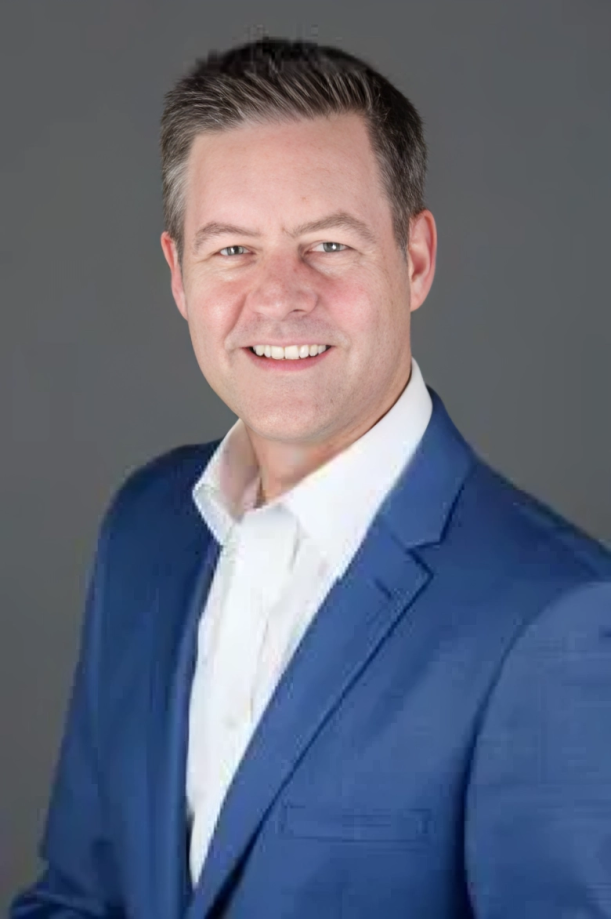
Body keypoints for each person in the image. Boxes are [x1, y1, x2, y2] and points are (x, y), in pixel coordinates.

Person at [10, 37, 611, 919]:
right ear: (179, 275)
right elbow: (80, 895)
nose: (279, 294)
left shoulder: (557, 618)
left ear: (414, 259)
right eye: (232, 251)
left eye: (327, 244)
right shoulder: (146, 528)